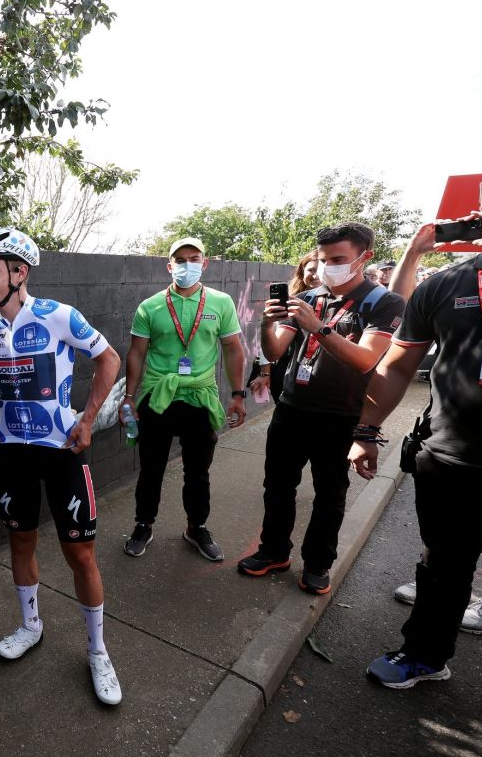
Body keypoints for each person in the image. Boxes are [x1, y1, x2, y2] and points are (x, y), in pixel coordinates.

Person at [351, 169, 482, 687]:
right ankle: (425, 655)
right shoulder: (445, 286)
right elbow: (396, 366)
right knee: (444, 565)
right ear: (480, 215)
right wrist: (367, 431)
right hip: (454, 458)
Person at [0, 226, 124, 705]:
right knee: (21, 541)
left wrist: (88, 419)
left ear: (20, 273)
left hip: (62, 450)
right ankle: (30, 625)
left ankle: (98, 651)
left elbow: (109, 359)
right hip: (13, 451)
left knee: (81, 555)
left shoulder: (58, 316)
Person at [239, 223, 404, 594]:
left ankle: (317, 564)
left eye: (338, 259)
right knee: (277, 486)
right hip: (292, 410)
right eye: (325, 259)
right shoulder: (308, 297)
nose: (328, 267)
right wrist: (267, 324)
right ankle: (274, 551)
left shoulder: (383, 302)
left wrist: (318, 328)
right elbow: (275, 351)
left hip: (341, 417)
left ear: (365, 257)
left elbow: (366, 359)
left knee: (330, 494)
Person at [386, 221, 482, 635]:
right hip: (453, 444)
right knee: (447, 539)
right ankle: (437, 592)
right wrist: (415, 251)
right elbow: (400, 314)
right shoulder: (451, 282)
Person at [122, 237, 246, 561]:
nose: (187, 264)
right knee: (151, 468)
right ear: (169, 266)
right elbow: (136, 353)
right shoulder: (150, 306)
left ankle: (196, 527)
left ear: (204, 263)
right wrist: (129, 397)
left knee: (198, 471)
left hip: (200, 397)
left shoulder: (221, 302)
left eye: (193, 258)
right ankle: (143, 524)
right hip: (157, 396)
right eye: (180, 260)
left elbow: (233, 349)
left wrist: (237, 394)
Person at [251, 251, 321, 403]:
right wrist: (264, 373)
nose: (316, 275)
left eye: (320, 269)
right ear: (302, 272)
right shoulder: (288, 300)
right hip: (286, 369)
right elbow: (271, 340)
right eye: (311, 270)